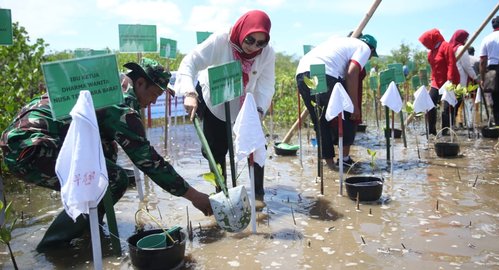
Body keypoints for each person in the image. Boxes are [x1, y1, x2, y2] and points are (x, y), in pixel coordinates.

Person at [0, 58, 213, 251]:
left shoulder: (110, 87)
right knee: (113, 179)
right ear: (139, 83)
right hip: (30, 147)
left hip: (21, 141)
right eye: (154, 94)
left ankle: (88, 227)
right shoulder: (120, 103)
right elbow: (147, 160)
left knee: (107, 158)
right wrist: (194, 196)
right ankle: (53, 247)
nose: (153, 102)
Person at [174, 10, 275, 200]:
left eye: (261, 42)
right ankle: (222, 194)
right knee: (216, 149)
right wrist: (189, 93)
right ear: (242, 31)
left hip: (246, 99)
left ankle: (258, 196)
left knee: (254, 143)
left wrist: (260, 110)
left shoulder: (267, 54)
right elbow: (190, 62)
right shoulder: (222, 40)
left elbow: (266, 85)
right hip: (215, 96)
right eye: (250, 40)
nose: (254, 47)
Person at [296, 34, 378, 168]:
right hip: (326, 74)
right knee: (347, 114)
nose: (368, 59)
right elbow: (352, 73)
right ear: (372, 50)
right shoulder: (364, 48)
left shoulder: (339, 42)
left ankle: (330, 165)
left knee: (320, 120)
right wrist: (354, 106)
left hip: (302, 73)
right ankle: (344, 159)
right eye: (370, 57)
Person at [419, 28, 460, 135]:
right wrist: (431, 82)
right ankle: (432, 131)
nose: (425, 45)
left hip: (448, 82)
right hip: (436, 82)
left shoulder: (446, 47)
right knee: (430, 105)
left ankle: (445, 132)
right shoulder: (431, 52)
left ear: (431, 39)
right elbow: (433, 69)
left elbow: (451, 64)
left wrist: (450, 81)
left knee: (447, 108)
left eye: (426, 42)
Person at [449, 29, 478, 129]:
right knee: (457, 103)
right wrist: (475, 77)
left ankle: (451, 124)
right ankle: (452, 125)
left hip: (451, 80)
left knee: (452, 103)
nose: (466, 40)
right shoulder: (461, 48)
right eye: (466, 38)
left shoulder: (450, 48)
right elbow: (467, 66)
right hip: (460, 80)